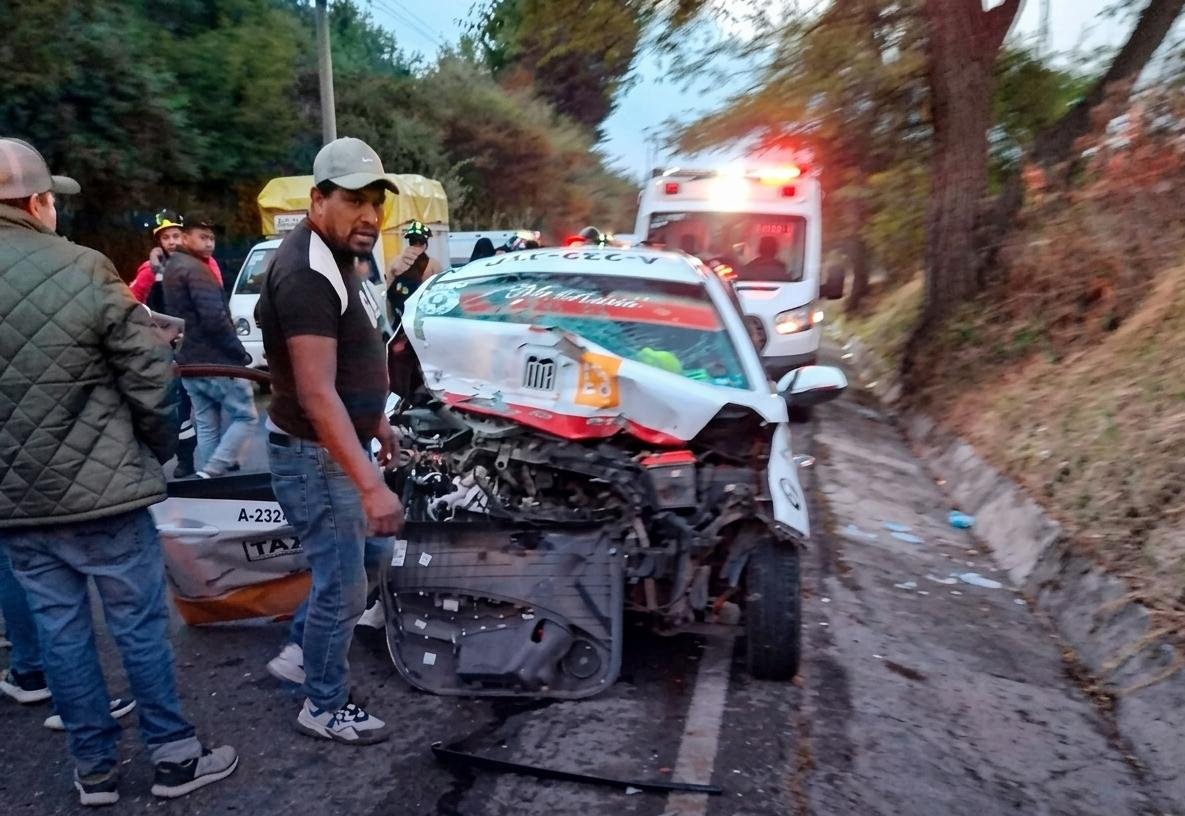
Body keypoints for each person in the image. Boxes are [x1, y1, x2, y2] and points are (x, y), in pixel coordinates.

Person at [0, 137, 237, 805]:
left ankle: (94, 770)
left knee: (60, 631)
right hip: (106, 495)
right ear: (37, 203)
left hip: (17, 503)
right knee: (137, 624)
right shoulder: (83, 267)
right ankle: (174, 755)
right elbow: (151, 376)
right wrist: (153, 448)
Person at [256, 136, 403, 745]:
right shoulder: (306, 273)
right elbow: (317, 394)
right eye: (353, 200)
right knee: (344, 584)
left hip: (335, 446)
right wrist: (370, 486)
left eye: (376, 202)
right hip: (315, 458)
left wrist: (374, 420)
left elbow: (349, 363)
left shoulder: (338, 254)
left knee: (368, 558)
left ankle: (302, 649)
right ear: (318, 199)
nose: (369, 215)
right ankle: (323, 703)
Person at [163, 215, 258, 479]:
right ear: (185, 237)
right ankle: (213, 469)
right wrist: (239, 352)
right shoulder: (197, 270)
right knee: (246, 416)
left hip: (189, 359)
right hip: (216, 360)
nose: (209, 243)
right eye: (203, 237)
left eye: (212, 238)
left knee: (206, 422)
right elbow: (215, 319)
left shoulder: (173, 267)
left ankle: (209, 479)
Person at [385, 221, 438, 322]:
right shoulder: (433, 265)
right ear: (425, 243)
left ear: (409, 241)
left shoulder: (395, 261)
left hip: (398, 316)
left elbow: (388, 289)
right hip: (421, 318)